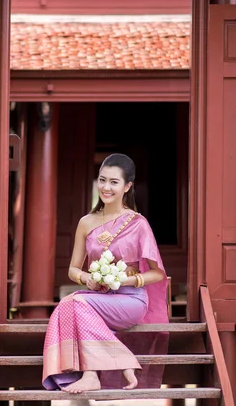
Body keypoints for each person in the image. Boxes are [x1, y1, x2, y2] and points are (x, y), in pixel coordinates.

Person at [42, 153, 169, 394]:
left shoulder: (137, 223)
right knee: (68, 305)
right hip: (98, 298)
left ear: (127, 186)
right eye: (102, 180)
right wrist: (86, 277)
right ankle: (102, 370)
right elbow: (73, 269)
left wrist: (127, 279)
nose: (106, 187)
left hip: (131, 299)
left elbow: (157, 274)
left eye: (114, 182)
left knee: (73, 303)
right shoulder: (86, 222)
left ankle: (98, 371)